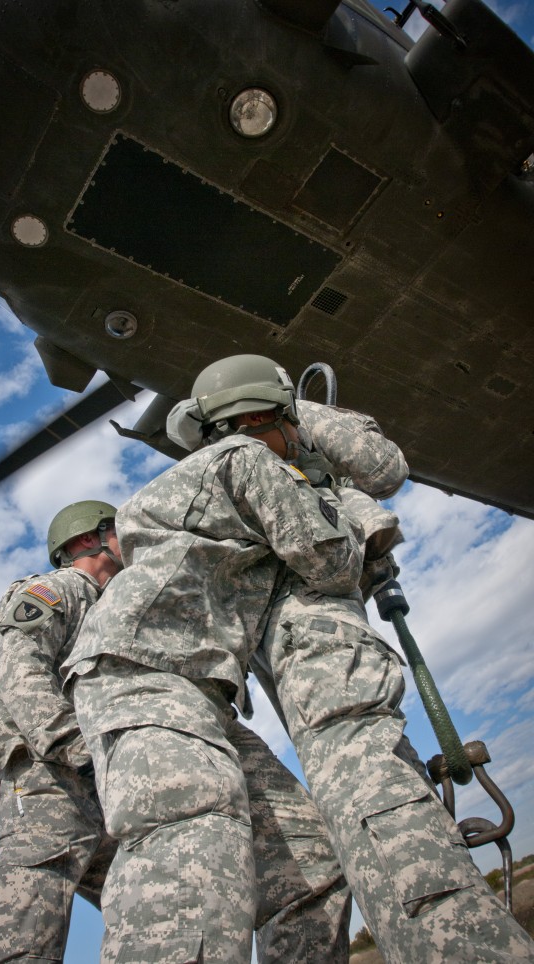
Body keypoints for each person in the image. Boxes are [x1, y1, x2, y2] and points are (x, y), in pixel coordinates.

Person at [178, 354, 534, 964]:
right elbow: (384, 468)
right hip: (319, 633)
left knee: (369, 790)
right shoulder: (279, 440)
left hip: (279, 644)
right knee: (380, 798)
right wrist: (309, 417)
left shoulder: (204, 471)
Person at [63, 365, 364, 963]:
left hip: (201, 695)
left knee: (310, 861)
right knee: (193, 853)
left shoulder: (212, 478)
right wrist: (342, 501)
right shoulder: (244, 459)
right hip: (144, 676)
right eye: (292, 425)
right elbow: (330, 562)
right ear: (262, 417)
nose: (298, 438)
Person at [0, 500, 121, 963]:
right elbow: (21, 671)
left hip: (103, 793)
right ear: (85, 541)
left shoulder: (112, 609)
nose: (129, 538)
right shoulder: (56, 590)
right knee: (29, 936)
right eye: (118, 530)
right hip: (44, 782)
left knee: (157, 907)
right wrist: (76, 747)